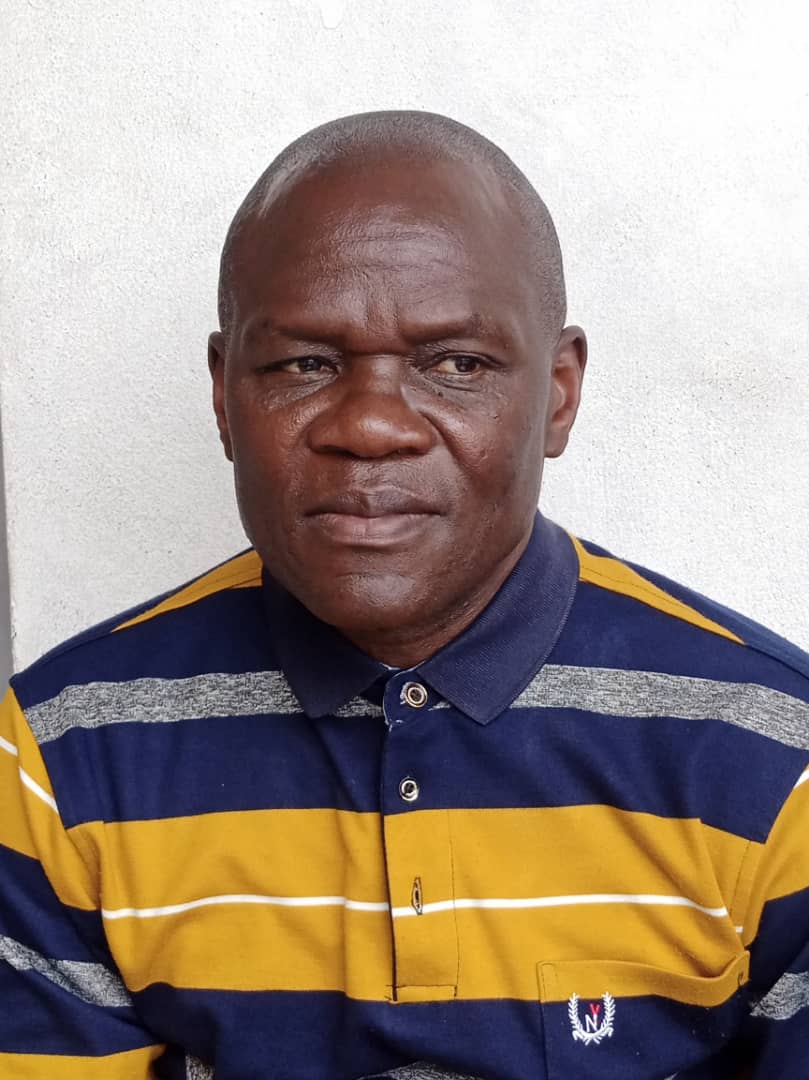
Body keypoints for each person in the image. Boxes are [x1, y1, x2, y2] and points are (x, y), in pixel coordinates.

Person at [0, 111, 807, 1080]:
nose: (372, 426)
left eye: (455, 364)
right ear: (223, 394)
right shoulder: (62, 752)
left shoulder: (773, 753)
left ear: (556, 394)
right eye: (303, 364)